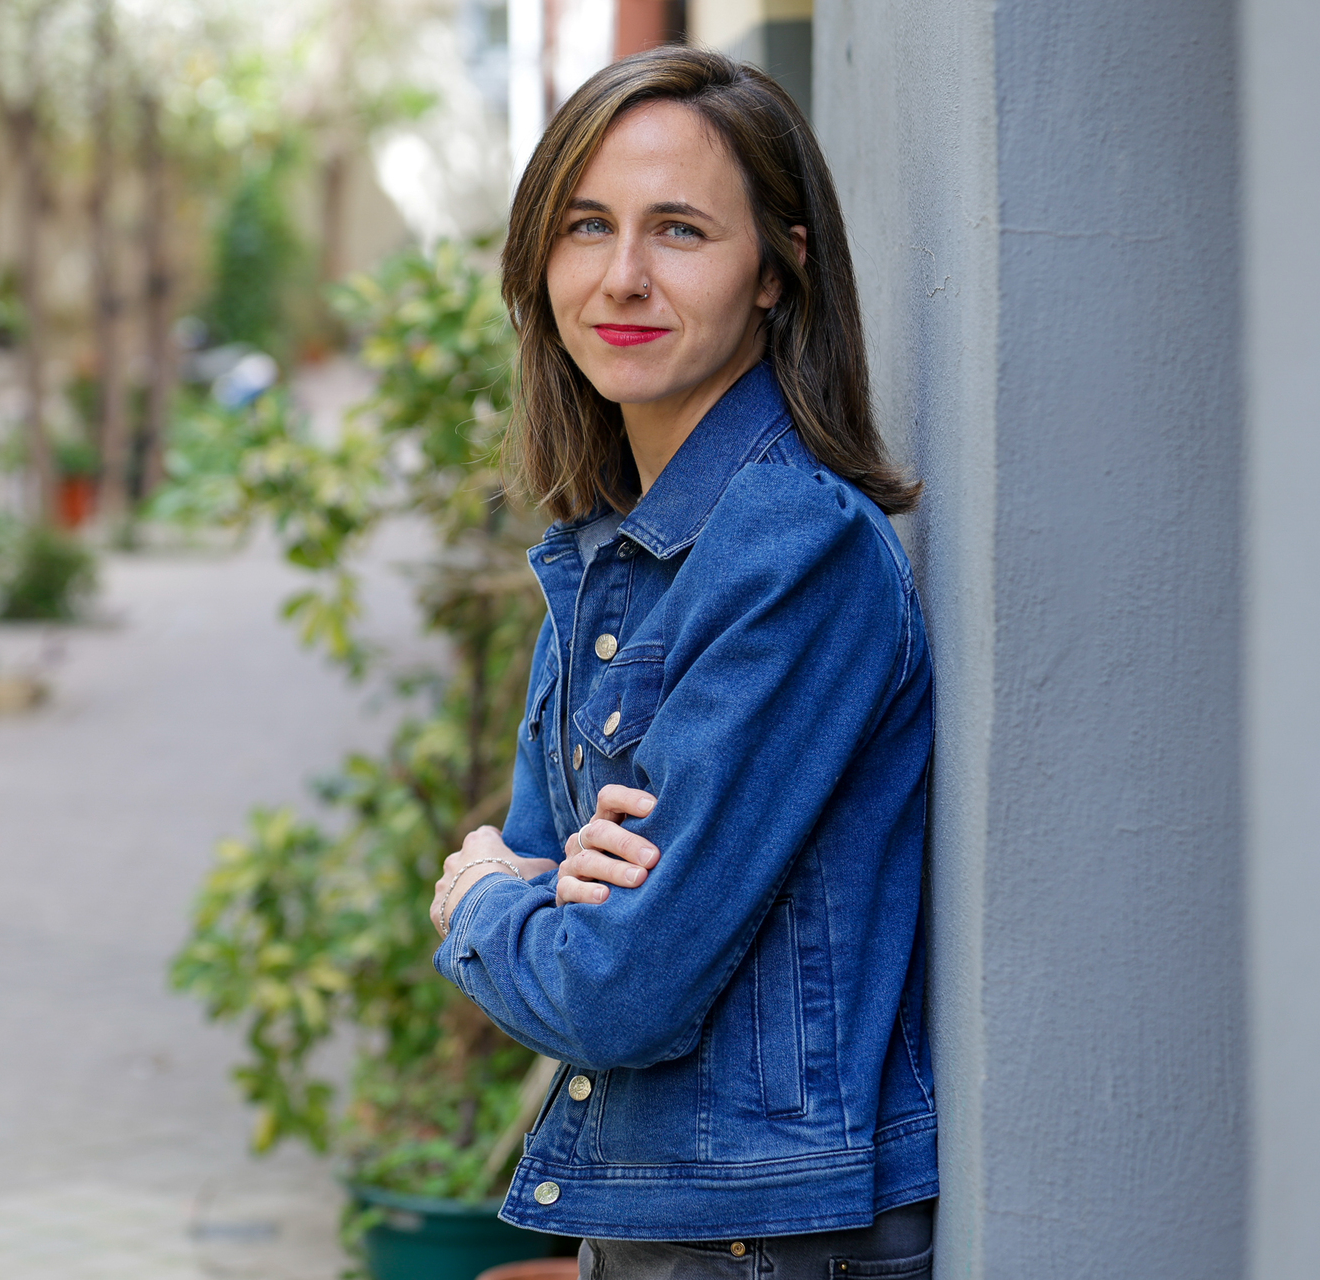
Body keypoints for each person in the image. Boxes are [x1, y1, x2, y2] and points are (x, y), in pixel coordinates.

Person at [427, 47, 938, 1279]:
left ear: (780, 268)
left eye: (683, 230)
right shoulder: (616, 549)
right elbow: (558, 873)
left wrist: (483, 898)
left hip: (760, 1236)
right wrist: (546, 893)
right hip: (675, 1217)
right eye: (587, 225)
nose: (623, 275)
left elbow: (609, 987)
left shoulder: (792, 554)